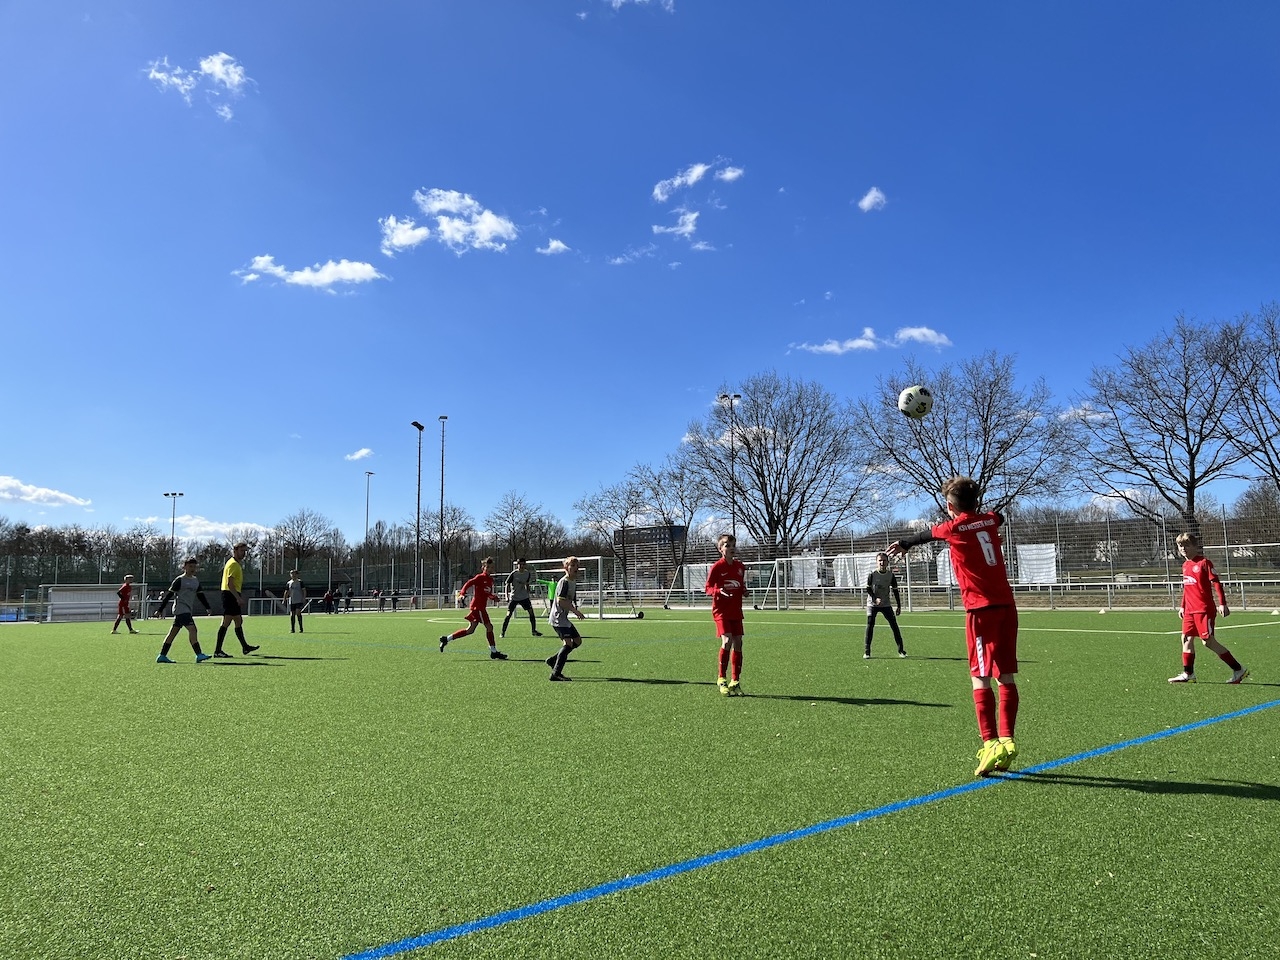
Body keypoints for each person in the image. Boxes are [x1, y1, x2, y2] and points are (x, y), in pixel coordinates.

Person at [889, 476, 1020, 777]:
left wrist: (905, 543)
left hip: (980, 610)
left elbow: (926, 534)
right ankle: (1008, 740)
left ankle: (990, 742)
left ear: (950, 506)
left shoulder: (953, 528)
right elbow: (999, 516)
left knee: (980, 676)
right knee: (1006, 675)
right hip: (1007, 606)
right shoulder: (989, 520)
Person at [1169, 532, 1249, 684]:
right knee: (1186, 638)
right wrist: (1182, 607)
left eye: (1187, 545)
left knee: (1208, 641)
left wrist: (1222, 603)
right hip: (1190, 610)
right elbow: (1187, 588)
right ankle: (1188, 673)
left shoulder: (1204, 563)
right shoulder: (1185, 565)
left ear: (1195, 546)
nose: (1183, 548)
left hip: (1203, 609)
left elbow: (1216, 583)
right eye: (1180, 545)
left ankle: (1238, 669)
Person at [440, 557, 507, 659]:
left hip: (480, 607)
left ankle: (446, 639)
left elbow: (487, 593)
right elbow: (468, 583)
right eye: (488, 567)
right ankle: (493, 651)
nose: (490, 569)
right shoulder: (480, 577)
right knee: (489, 627)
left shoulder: (490, 580)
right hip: (478, 607)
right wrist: (462, 593)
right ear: (483, 568)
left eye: (492, 567)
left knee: (470, 630)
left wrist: (493, 597)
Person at [705, 533, 747, 696]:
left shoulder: (740, 567)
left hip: (736, 610)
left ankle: (735, 681)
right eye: (727, 545)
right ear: (720, 549)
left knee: (738, 643)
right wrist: (718, 591)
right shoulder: (717, 567)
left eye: (733, 545)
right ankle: (721, 678)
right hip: (721, 611)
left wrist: (744, 591)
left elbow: (740, 585)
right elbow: (707, 588)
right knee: (727, 640)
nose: (731, 548)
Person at [153, 557, 214, 663]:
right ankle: (199, 654)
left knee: (172, 633)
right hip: (181, 609)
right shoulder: (179, 580)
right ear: (184, 567)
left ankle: (162, 656)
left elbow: (201, 596)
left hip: (187, 610)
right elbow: (169, 595)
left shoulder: (195, 581)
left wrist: (207, 607)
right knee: (193, 630)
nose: (192, 569)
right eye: (190, 566)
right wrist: (160, 610)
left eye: (194, 567)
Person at [214, 541, 259, 658]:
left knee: (238, 620)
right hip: (229, 594)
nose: (244, 553)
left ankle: (245, 647)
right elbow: (230, 583)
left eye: (245, 551)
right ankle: (218, 651)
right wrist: (238, 598)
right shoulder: (233, 564)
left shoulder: (234, 563)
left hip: (231, 594)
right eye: (241, 551)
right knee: (227, 621)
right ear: (235, 551)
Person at [545, 556, 586, 681]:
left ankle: (554, 660)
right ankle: (555, 674)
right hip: (558, 618)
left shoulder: (573, 581)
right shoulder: (564, 582)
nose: (575, 568)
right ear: (566, 568)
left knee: (577, 641)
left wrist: (574, 607)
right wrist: (575, 611)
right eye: (572, 565)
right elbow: (561, 601)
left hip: (563, 618)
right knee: (568, 643)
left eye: (577, 566)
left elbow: (569, 599)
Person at [864, 552, 907, 659]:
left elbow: (895, 591)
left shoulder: (891, 575)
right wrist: (875, 598)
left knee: (894, 625)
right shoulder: (872, 574)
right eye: (880, 560)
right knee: (870, 624)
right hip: (872, 604)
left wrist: (899, 606)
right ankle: (867, 651)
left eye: (884, 560)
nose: (882, 562)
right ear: (876, 562)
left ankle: (901, 650)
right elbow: (868, 589)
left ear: (887, 562)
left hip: (885, 604)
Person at [501, 558, 543, 639]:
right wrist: (506, 596)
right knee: (508, 615)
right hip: (514, 597)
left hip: (524, 597)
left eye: (523, 564)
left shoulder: (527, 573)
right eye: (520, 564)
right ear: (517, 565)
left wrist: (528, 592)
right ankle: (503, 632)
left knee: (531, 613)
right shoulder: (514, 574)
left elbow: (527, 583)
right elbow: (507, 584)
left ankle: (534, 631)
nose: (522, 566)